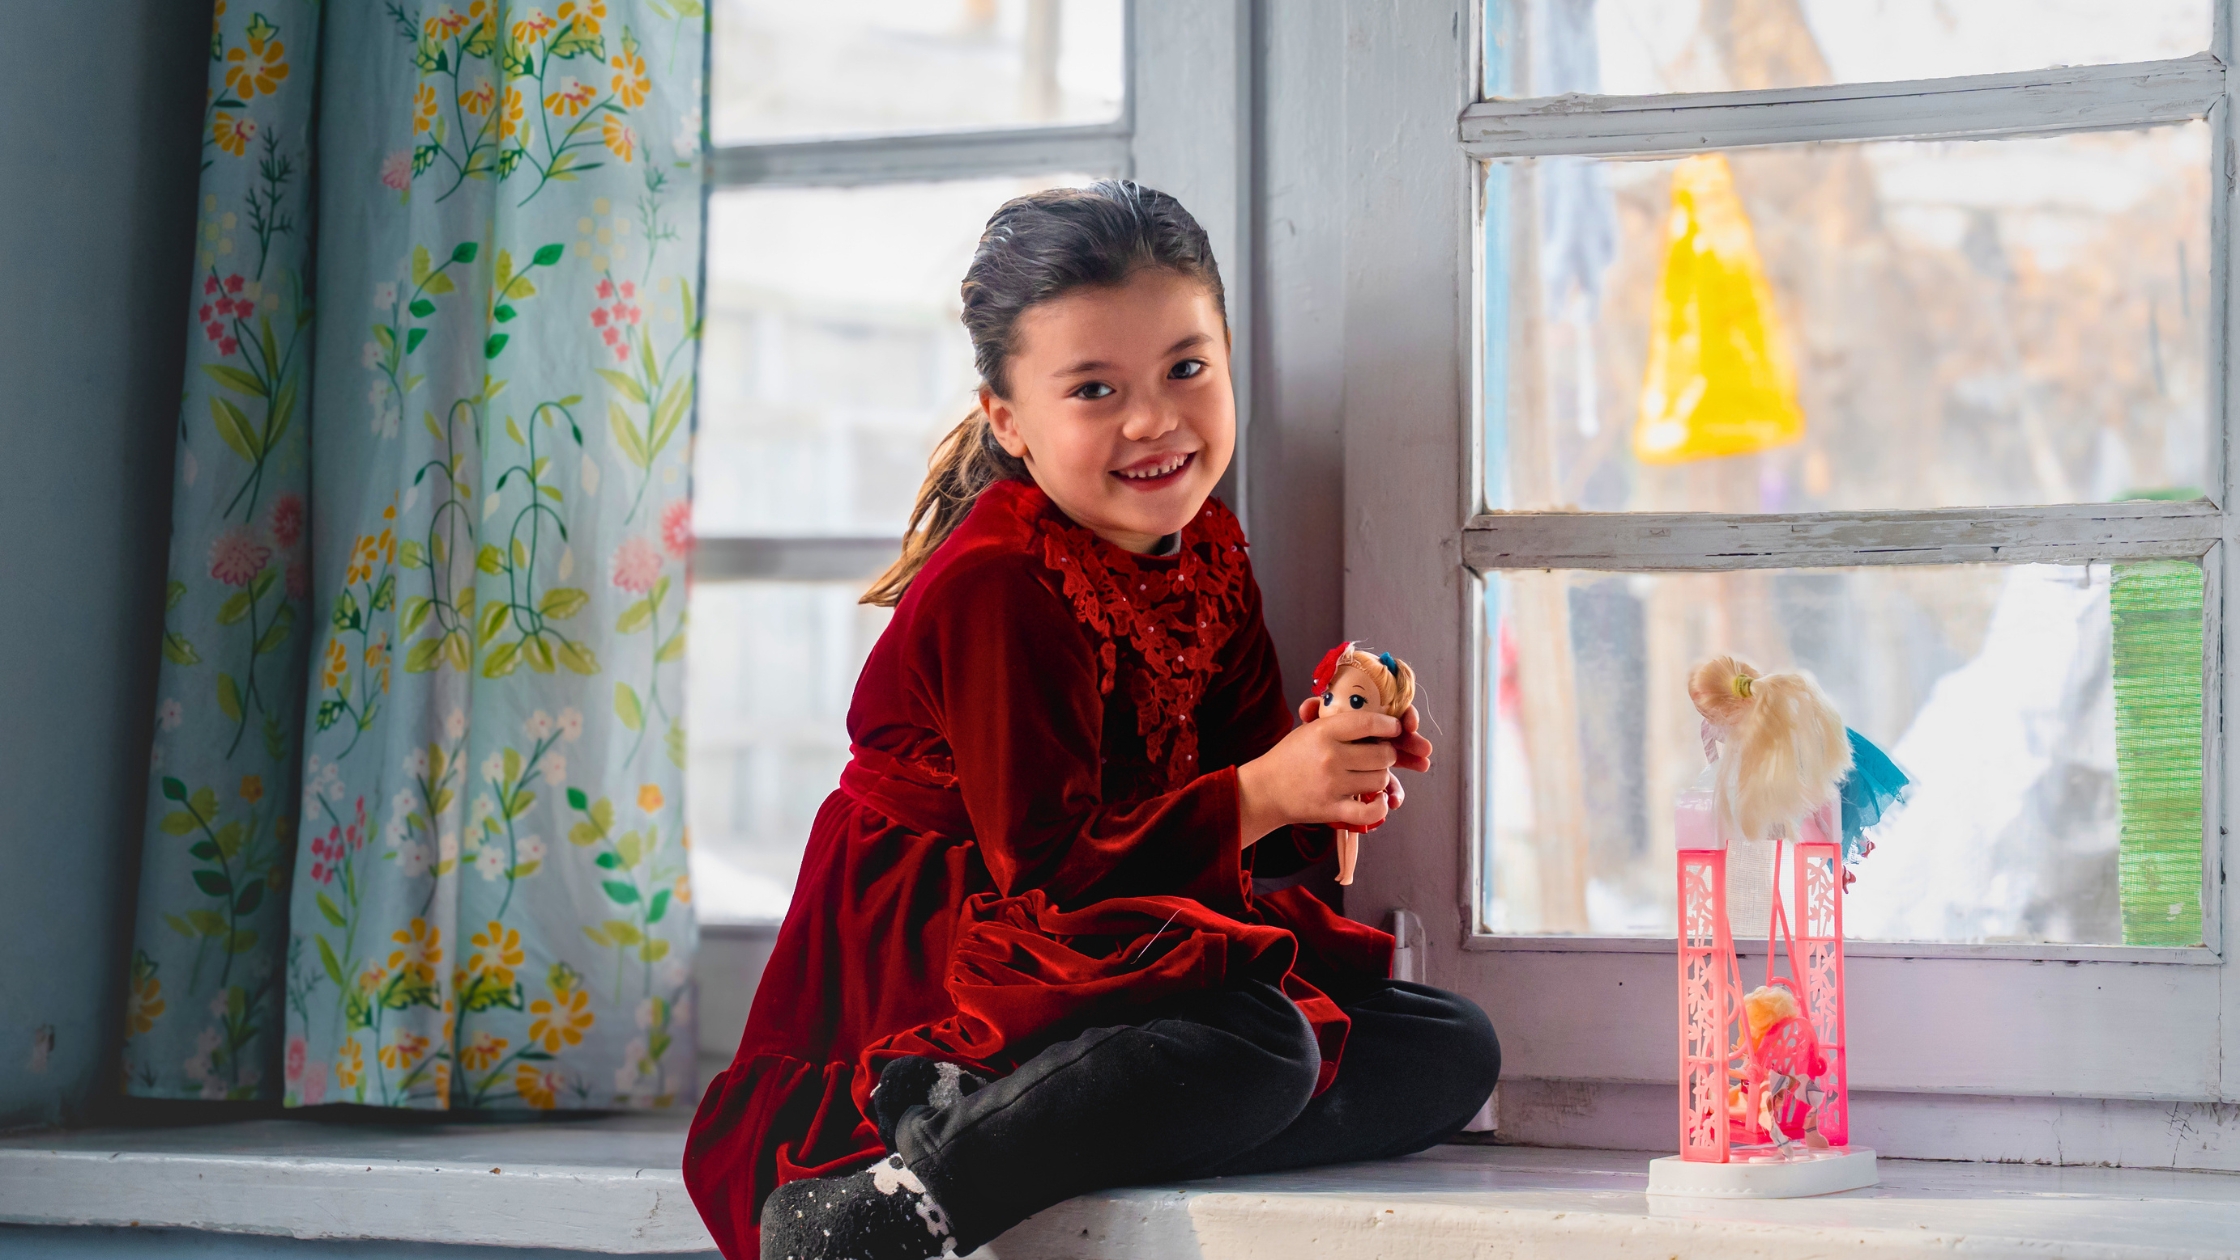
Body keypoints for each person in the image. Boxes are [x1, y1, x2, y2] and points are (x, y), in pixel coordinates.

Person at [683, 180, 1500, 1260]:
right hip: (967, 946)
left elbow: (1248, 825)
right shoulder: (1000, 581)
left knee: (1447, 1047)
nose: (1152, 420)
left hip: (1111, 929)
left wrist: (1323, 778)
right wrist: (1261, 793)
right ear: (1008, 420)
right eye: (1094, 389)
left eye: (1185, 369)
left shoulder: (1207, 549)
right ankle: (911, 1186)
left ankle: (1074, 1133)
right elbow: (1049, 867)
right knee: (1260, 1044)